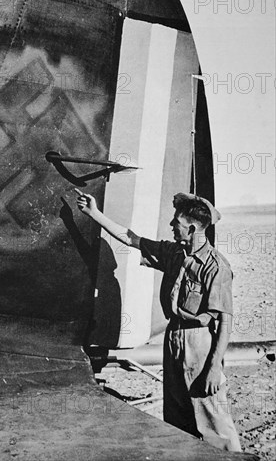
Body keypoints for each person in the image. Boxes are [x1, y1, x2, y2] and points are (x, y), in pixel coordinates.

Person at [75, 189, 241, 452]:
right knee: (176, 418)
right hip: (173, 337)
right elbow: (132, 238)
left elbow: (224, 323)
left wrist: (213, 368)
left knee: (214, 422)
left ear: (193, 228)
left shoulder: (216, 266)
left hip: (199, 343)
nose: (172, 226)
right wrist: (94, 214)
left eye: (176, 223)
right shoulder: (174, 253)